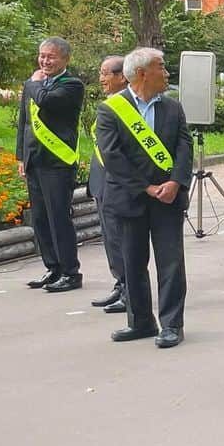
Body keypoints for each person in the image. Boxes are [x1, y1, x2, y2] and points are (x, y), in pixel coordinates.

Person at [95, 48, 193, 349]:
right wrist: (146, 187)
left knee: (171, 263)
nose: (166, 73)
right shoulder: (111, 109)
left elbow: (183, 146)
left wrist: (175, 181)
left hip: (168, 199)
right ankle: (140, 322)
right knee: (132, 263)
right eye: (160, 67)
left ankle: (172, 325)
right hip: (129, 198)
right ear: (141, 73)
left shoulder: (173, 108)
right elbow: (112, 155)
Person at [17, 37, 86, 292]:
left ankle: (70, 272)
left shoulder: (72, 85)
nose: (44, 61)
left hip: (58, 162)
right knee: (40, 219)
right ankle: (52, 267)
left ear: (65, 59)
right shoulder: (34, 84)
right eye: (42, 55)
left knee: (59, 218)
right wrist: (20, 156)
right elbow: (24, 123)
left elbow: (45, 100)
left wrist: (34, 83)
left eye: (51, 57)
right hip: (35, 160)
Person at [87, 55, 128, 314]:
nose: (101, 78)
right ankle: (120, 284)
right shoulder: (109, 104)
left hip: (119, 185)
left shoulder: (126, 106)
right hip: (102, 182)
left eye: (106, 73)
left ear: (122, 76)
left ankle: (129, 289)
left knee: (121, 240)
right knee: (110, 239)